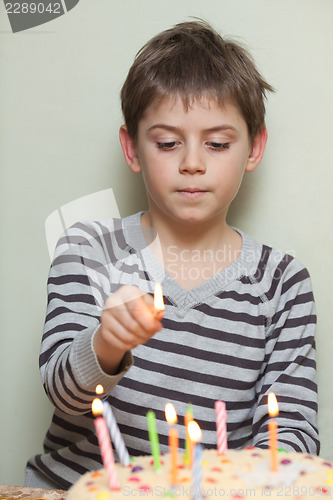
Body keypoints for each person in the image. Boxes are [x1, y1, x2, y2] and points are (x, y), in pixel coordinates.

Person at [26, 20, 319, 489]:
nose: (192, 163)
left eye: (218, 143)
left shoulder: (281, 282)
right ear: (132, 148)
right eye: (167, 143)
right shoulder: (88, 252)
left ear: (254, 147)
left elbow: (293, 432)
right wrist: (107, 343)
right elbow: (64, 395)